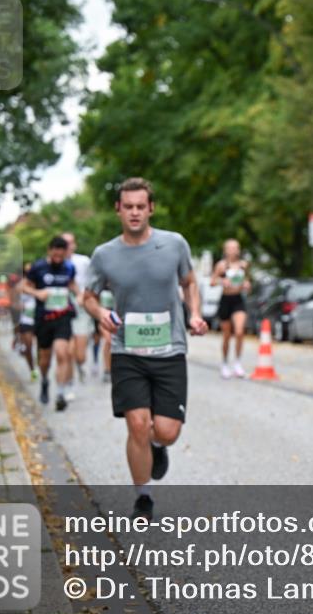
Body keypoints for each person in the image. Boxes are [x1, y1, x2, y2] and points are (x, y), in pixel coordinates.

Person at [84, 177, 207, 521]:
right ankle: (143, 496)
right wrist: (100, 313)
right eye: (128, 207)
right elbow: (88, 297)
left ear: (151, 208)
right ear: (118, 210)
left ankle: (157, 446)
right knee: (137, 424)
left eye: (141, 206)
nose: (135, 212)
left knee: (166, 431)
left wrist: (194, 314)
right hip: (127, 351)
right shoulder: (105, 255)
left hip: (170, 351)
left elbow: (189, 282)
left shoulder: (174, 245)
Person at [23, 237, 81, 411]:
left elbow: (72, 284)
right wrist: (37, 293)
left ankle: (61, 394)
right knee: (45, 359)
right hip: (43, 319)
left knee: (63, 353)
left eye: (61, 254)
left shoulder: (69, 267)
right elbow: (24, 287)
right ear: (49, 251)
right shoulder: (38, 267)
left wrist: (79, 295)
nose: (58, 257)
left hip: (63, 317)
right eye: (55, 253)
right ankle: (45, 380)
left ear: (65, 253)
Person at [210, 239, 251, 379]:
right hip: (225, 301)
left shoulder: (244, 265)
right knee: (227, 335)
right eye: (230, 248)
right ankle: (225, 363)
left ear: (239, 250)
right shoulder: (221, 266)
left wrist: (246, 284)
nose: (233, 251)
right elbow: (212, 281)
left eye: (236, 248)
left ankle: (238, 363)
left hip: (238, 300)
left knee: (239, 331)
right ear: (225, 250)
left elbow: (248, 280)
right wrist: (222, 281)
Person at [63, 232, 93, 394]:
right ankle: (68, 385)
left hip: (80, 308)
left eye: (70, 243)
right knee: (67, 351)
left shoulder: (83, 261)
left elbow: (93, 282)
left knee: (79, 355)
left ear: (74, 245)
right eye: (64, 243)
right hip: (62, 310)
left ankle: (80, 365)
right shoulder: (55, 262)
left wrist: (87, 298)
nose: (67, 246)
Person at [15, 263, 38, 381]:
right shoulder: (20, 285)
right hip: (26, 320)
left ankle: (41, 363)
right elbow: (14, 302)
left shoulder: (40, 282)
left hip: (39, 319)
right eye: (27, 271)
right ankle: (32, 370)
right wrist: (18, 306)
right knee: (28, 346)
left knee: (42, 347)